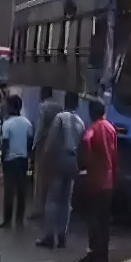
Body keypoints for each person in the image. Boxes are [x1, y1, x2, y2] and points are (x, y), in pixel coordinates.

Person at [38, 91, 85, 249]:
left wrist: (45, 160)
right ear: (77, 104)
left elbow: (50, 143)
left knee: (53, 200)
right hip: (73, 162)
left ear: (65, 102)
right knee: (66, 202)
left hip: (59, 161)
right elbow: (82, 145)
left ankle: (50, 236)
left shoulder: (59, 118)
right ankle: (63, 236)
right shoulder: (80, 121)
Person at [80, 98, 117, 262]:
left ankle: (94, 252)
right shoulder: (111, 128)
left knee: (93, 218)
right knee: (104, 220)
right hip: (109, 180)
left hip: (95, 180)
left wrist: (86, 162)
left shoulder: (93, 128)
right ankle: (103, 253)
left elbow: (86, 141)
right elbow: (115, 155)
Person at [0, 95, 34, 229]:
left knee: (9, 192)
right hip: (23, 160)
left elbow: (5, 144)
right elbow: (30, 142)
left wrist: (2, 161)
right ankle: (19, 220)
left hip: (10, 161)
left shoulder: (7, 124)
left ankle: (7, 220)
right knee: (21, 192)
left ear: (12, 107)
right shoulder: (26, 123)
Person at [31, 88, 62, 220]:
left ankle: (40, 210)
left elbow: (39, 127)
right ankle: (52, 209)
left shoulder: (43, 107)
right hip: (55, 147)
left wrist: (34, 145)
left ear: (43, 94)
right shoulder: (59, 107)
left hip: (43, 146)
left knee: (40, 180)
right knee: (51, 180)